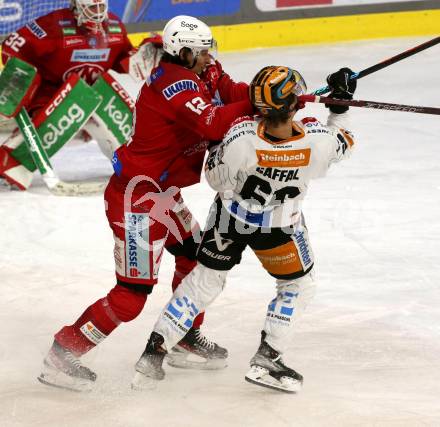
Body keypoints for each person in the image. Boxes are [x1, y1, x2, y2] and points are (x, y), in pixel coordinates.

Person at [38, 15, 254, 392]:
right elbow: (214, 124)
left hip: (162, 195)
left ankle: (184, 335)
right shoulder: (174, 83)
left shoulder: (204, 70)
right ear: (182, 52)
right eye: (202, 52)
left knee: (195, 256)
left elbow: (232, 93)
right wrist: (266, 103)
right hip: (136, 199)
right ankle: (64, 351)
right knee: (132, 295)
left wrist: (276, 93)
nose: (210, 58)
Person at [129, 65, 357, 393]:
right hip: (279, 230)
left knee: (203, 284)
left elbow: (215, 178)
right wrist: (339, 106)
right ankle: (268, 357)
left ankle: (153, 354)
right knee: (297, 287)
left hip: (229, 221)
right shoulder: (316, 141)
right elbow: (344, 141)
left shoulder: (240, 137)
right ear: (294, 104)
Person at [0, 0, 161, 188]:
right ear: (78, 7)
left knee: (107, 99)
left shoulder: (115, 27)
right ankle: (11, 160)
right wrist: (20, 76)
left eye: (102, 7)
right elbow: (12, 46)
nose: (99, 13)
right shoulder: (54, 25)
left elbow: (124, 61)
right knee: (78, 98)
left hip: (93, 98)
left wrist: (144, 55)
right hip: (50, 97)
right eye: (93, 8)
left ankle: (136, 164)